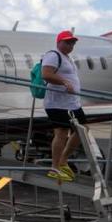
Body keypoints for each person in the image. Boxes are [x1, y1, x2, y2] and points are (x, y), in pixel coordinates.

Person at [41, 30, 87, 182]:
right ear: (59, 42)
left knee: (83, 129)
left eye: (73, 42)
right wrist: (64, 82)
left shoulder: (66, 57)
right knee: (61, 133)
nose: (71, 45)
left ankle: (63, 160)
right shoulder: (53, 55)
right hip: (57, 103)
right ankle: (55, 167)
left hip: (71, 103)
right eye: (67, 42)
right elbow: (46, 74)